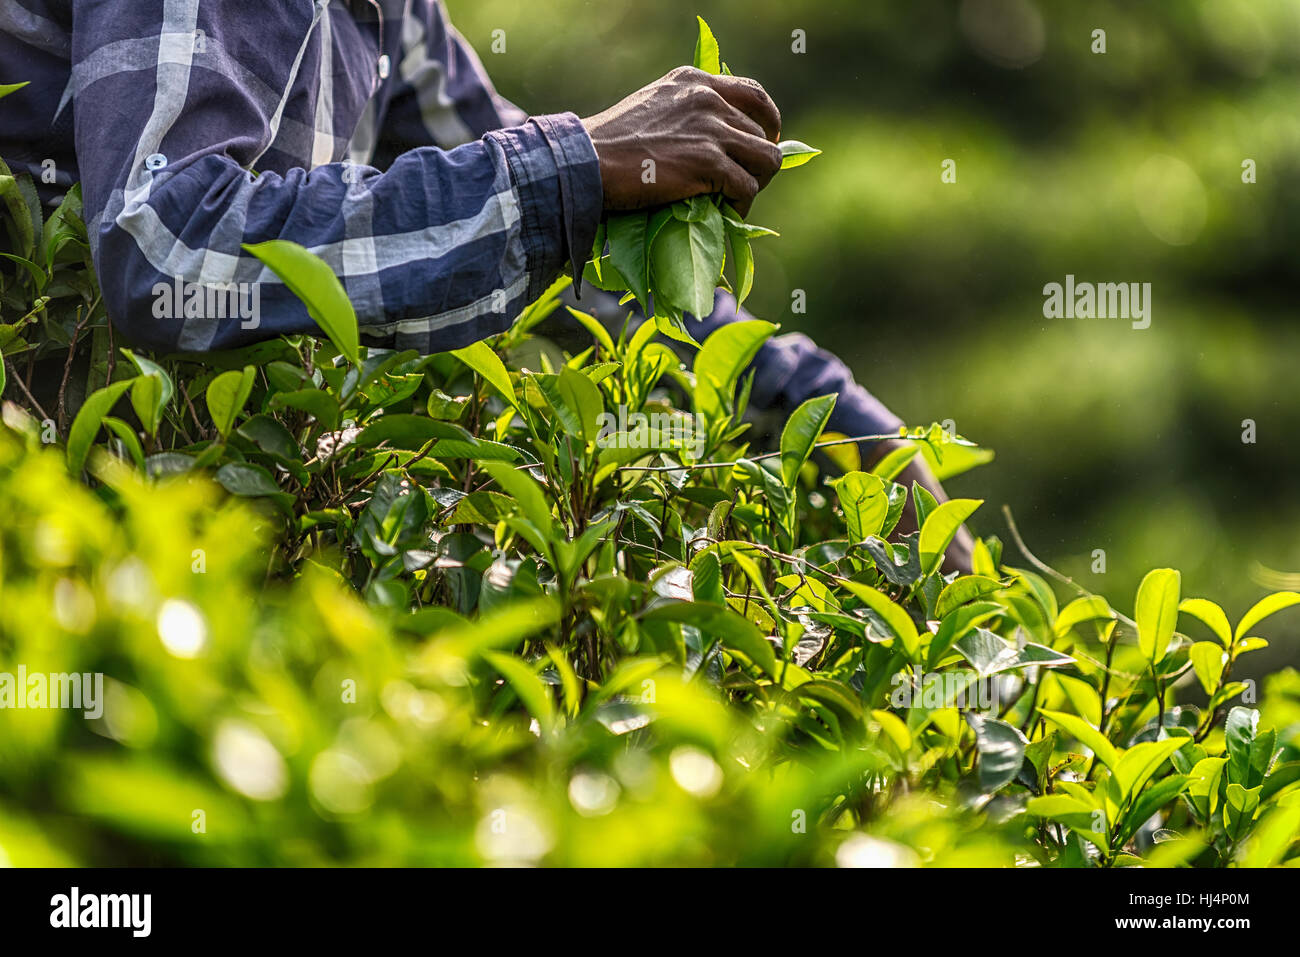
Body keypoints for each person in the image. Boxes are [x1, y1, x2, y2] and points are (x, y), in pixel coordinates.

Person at [0, 0, 971, 568]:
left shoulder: (389, 15)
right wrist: (582, 162)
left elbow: (545, 218)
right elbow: (172, 248)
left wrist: (810, 408)